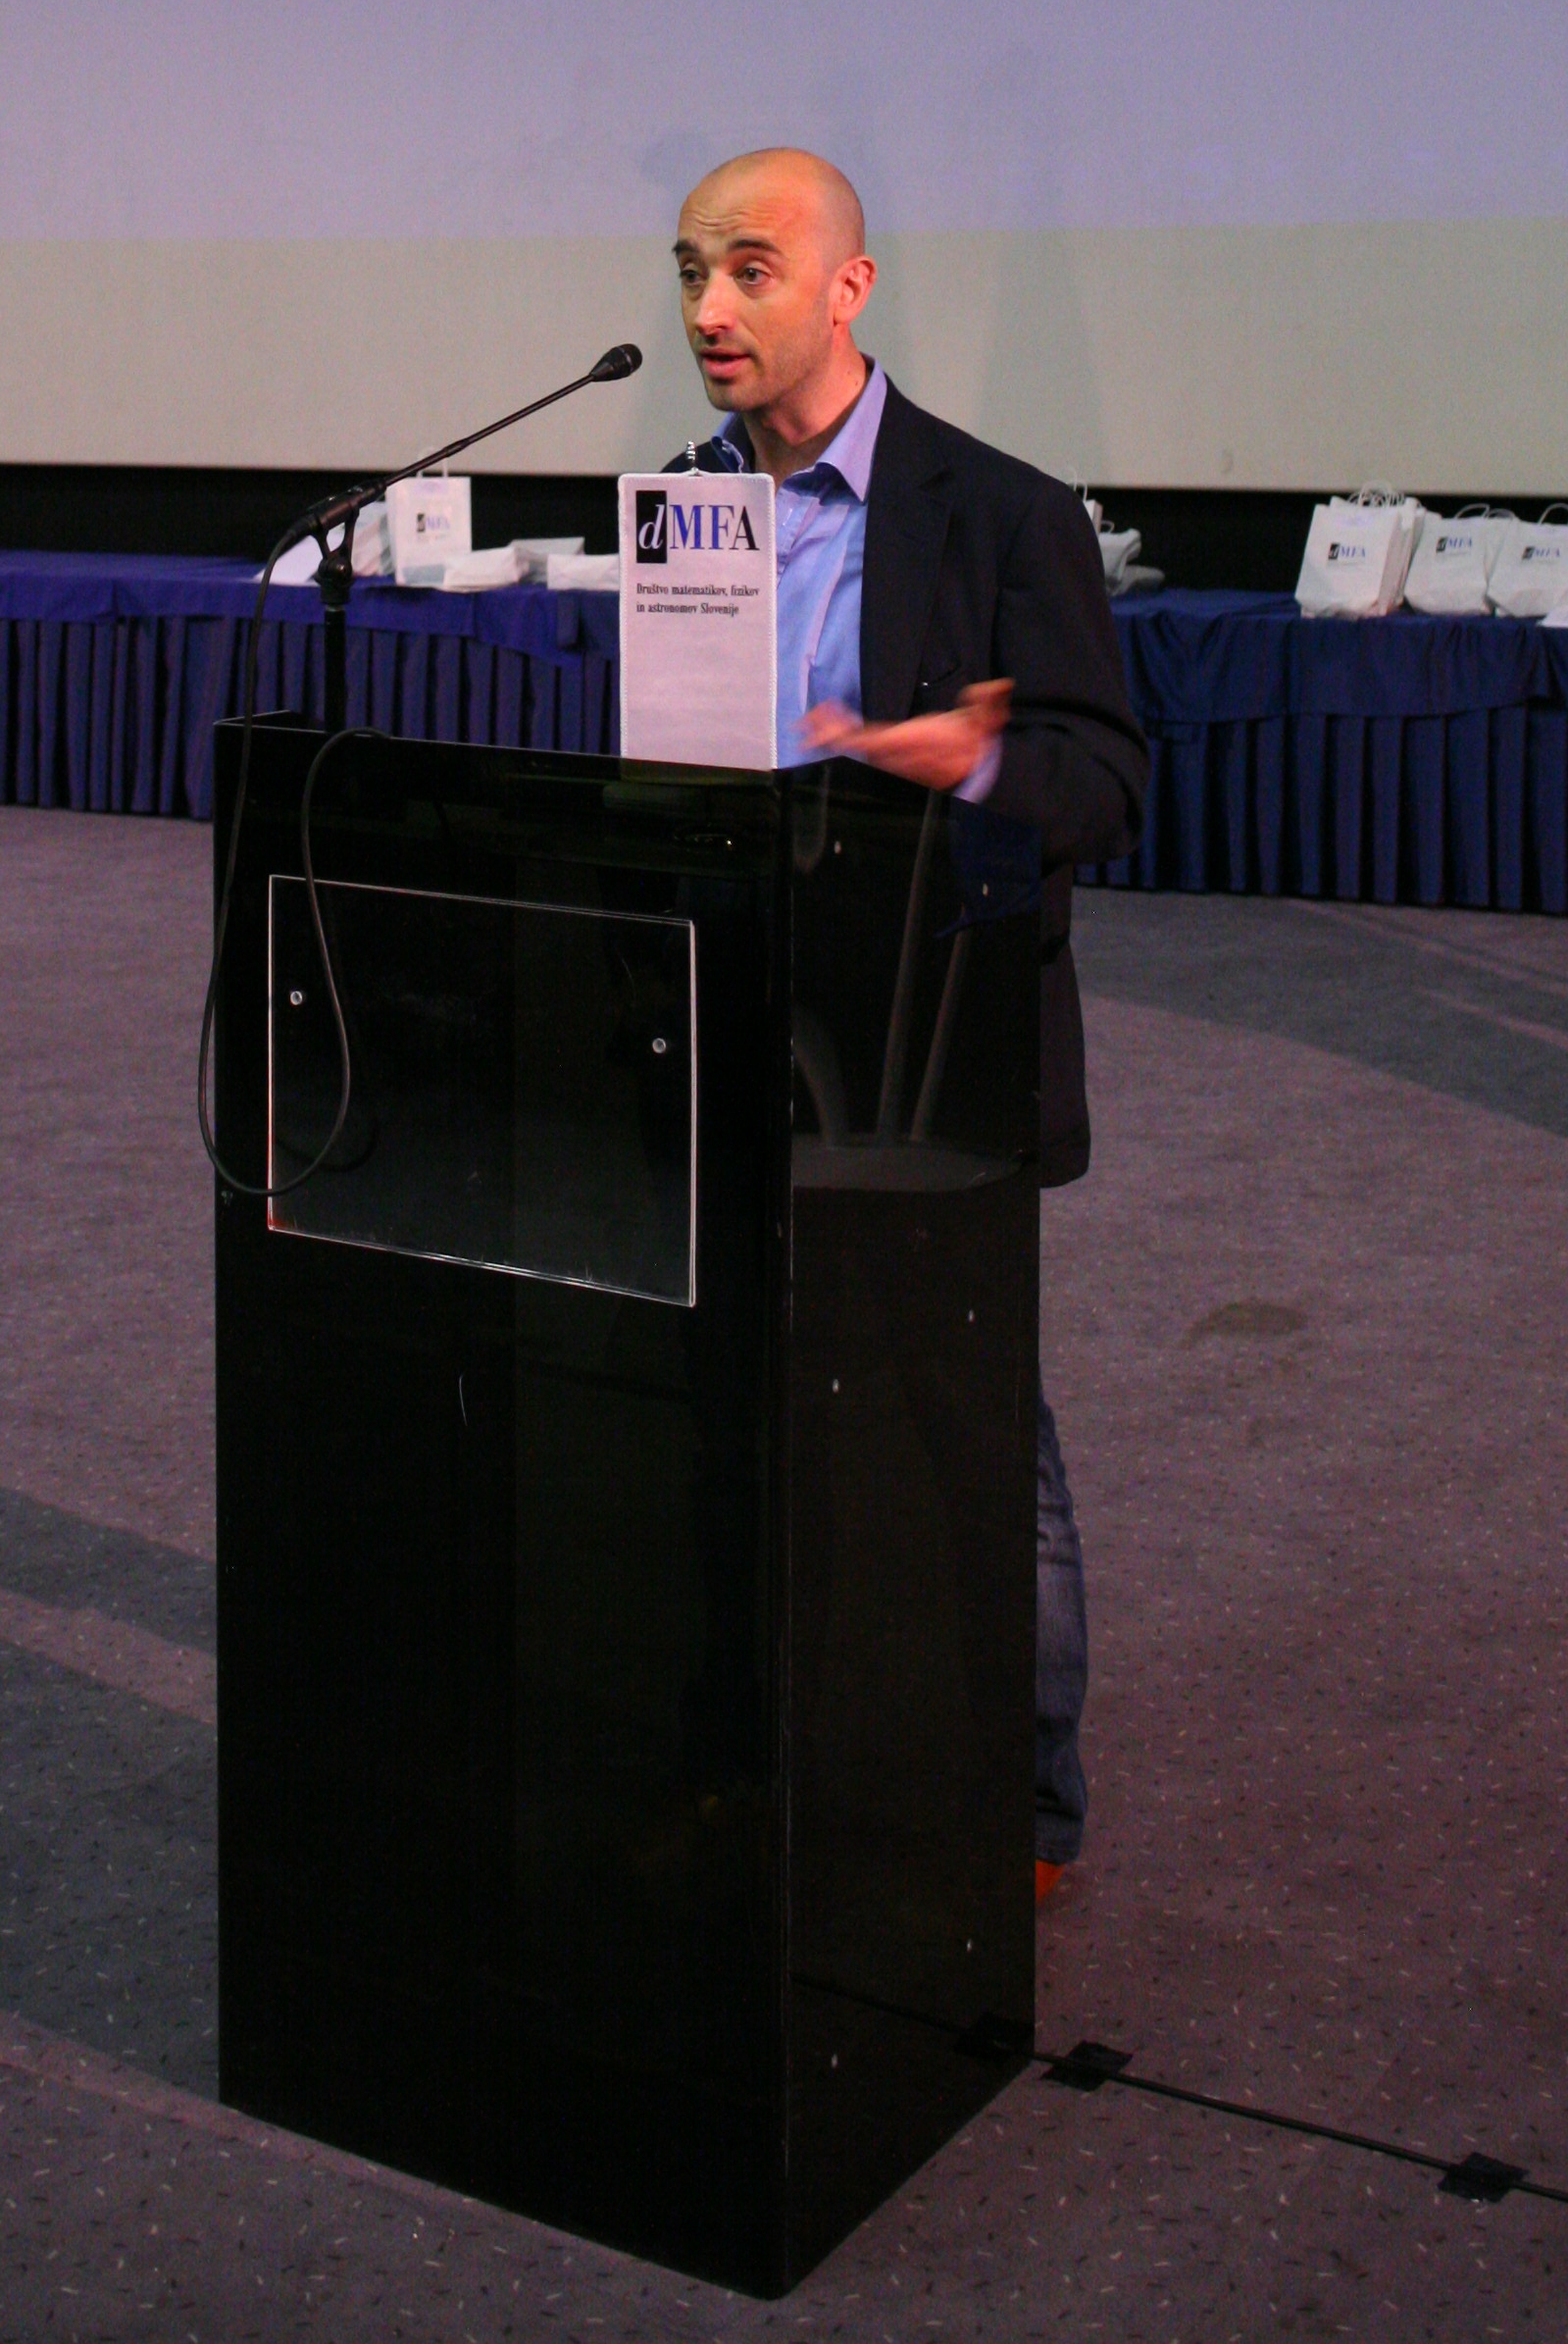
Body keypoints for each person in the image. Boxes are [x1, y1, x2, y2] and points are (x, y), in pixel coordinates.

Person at [669, 144, 1147, 1893]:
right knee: (735, 1418)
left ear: (848, 290)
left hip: (930, 1038)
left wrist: (980, 768)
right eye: (691, 269)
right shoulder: (680, 507)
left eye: (751, 269)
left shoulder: (1001, 512)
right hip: (726, 1021)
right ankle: (770, 1752)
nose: (709, 308)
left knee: (968, 1432)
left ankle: (1021, 1805)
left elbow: (1107, 780)